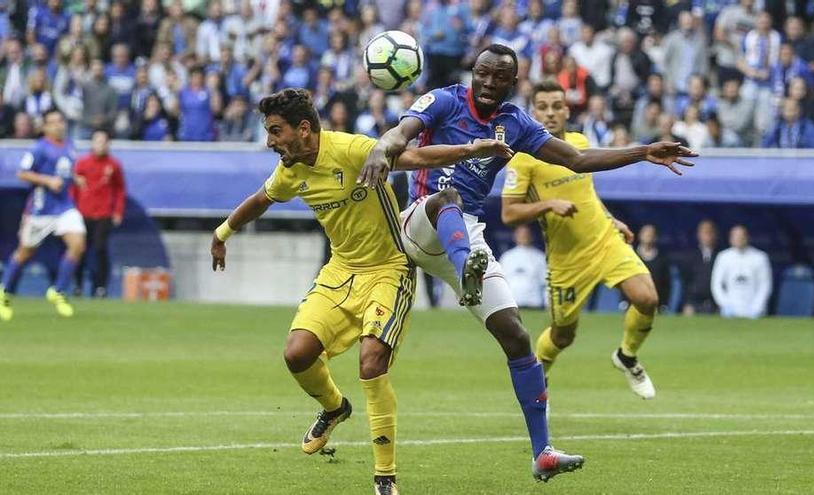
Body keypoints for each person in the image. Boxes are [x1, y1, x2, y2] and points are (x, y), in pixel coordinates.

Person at [360, 44, 695, 479]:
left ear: (511, 84)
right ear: (473, 72)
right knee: (447, 199)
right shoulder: (444, 100)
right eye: (482, 73)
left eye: (498, 78)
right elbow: (399, 135)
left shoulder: (514, 123)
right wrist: (379, 150)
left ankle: (543, 452)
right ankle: (468, 269)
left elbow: (576, 159)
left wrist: (642, 152)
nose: (487, 83)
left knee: (517, 337)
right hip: (421, 221)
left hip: (468, 233)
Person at [209, 88, 512, 495]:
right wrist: (223, 232)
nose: (270, 142)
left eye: (275, 131)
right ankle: (335, 408)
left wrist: (472, 149)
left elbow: (415, 157)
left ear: (303, 129)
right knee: (296, 354)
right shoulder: (291, 169)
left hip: (389, 269)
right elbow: (261, 200)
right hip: (341, 270)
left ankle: (385, 477)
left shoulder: (351, 149)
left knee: (371, 363)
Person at [500, 80, 661, 400]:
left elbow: (586, 193)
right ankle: (539, 376)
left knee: (647, 298)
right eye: (542, 107)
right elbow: (509, 214)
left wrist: (610, 219)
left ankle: (627, 356)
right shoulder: (524, 159)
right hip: (567, 259)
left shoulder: (578, 142)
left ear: (566, 109)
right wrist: (548, 205)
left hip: (604, 240)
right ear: (533, 112)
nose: (550, 113)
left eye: (556, 106)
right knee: (562, 336)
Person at [0, 110, 86, 322]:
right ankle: (5, 293)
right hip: (41, 210)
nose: (59, 125)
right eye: (53, 122)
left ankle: (57, 291)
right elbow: (22, 173)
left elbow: (65, 171)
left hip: (64, 207)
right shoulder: (39, 148)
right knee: (25, 253)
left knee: (78, 243)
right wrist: (47, 181)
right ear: (45, 127)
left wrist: (75, 179)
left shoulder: (69, 146)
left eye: (61, 121)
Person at [71, 130, 127, 298]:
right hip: (83, 213)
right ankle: (78, 285)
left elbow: (120, 189)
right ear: (92, 143)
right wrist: (71, 210)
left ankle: (101, 287)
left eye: (104, 141)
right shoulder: (82, 164)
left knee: (100, 249)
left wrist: (118, 211)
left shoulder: (113, 165)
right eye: (98, 141)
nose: (101, 145)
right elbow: (73, 189)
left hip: (103, 214)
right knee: (79, 249)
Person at [711, 225, 772, 319]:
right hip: (730, 310)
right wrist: (725, 305)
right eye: (735, 236)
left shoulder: (760, 257)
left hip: (755, 310)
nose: (738, 239)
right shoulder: (723, 257)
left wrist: (757, 307)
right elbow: (716, 285)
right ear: (730, 239)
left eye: (741, 236)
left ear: (747, 237)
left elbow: (765, 285)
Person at [499, 225, 547, 310]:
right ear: (515, 236)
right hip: (512, 302)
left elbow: (545, 283)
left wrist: (547, 304)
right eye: (520, 234)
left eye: (525, 234)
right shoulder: (507, 257)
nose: (523, 237)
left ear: (531, 236)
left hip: (534, 303)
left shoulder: (540, 257)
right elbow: (500, 281)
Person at [682, 219, 719, 315]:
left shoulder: (721, 256)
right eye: (705, 233)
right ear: (699, 235)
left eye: (710, 232)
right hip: (694, 303)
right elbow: (685, 282)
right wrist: (687, 303)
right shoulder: (690, 256)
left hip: (716, 303)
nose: (708, 236)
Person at [635, 224, 671, 312]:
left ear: (655, 237)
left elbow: (666, 283)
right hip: (634, 302)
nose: (648, 235)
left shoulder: (662, 259)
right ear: (640, 235)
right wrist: (624, 302)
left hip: (656, 304)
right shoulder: (632, 256)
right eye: (645, 233)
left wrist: (664, 303)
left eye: (651, 234)